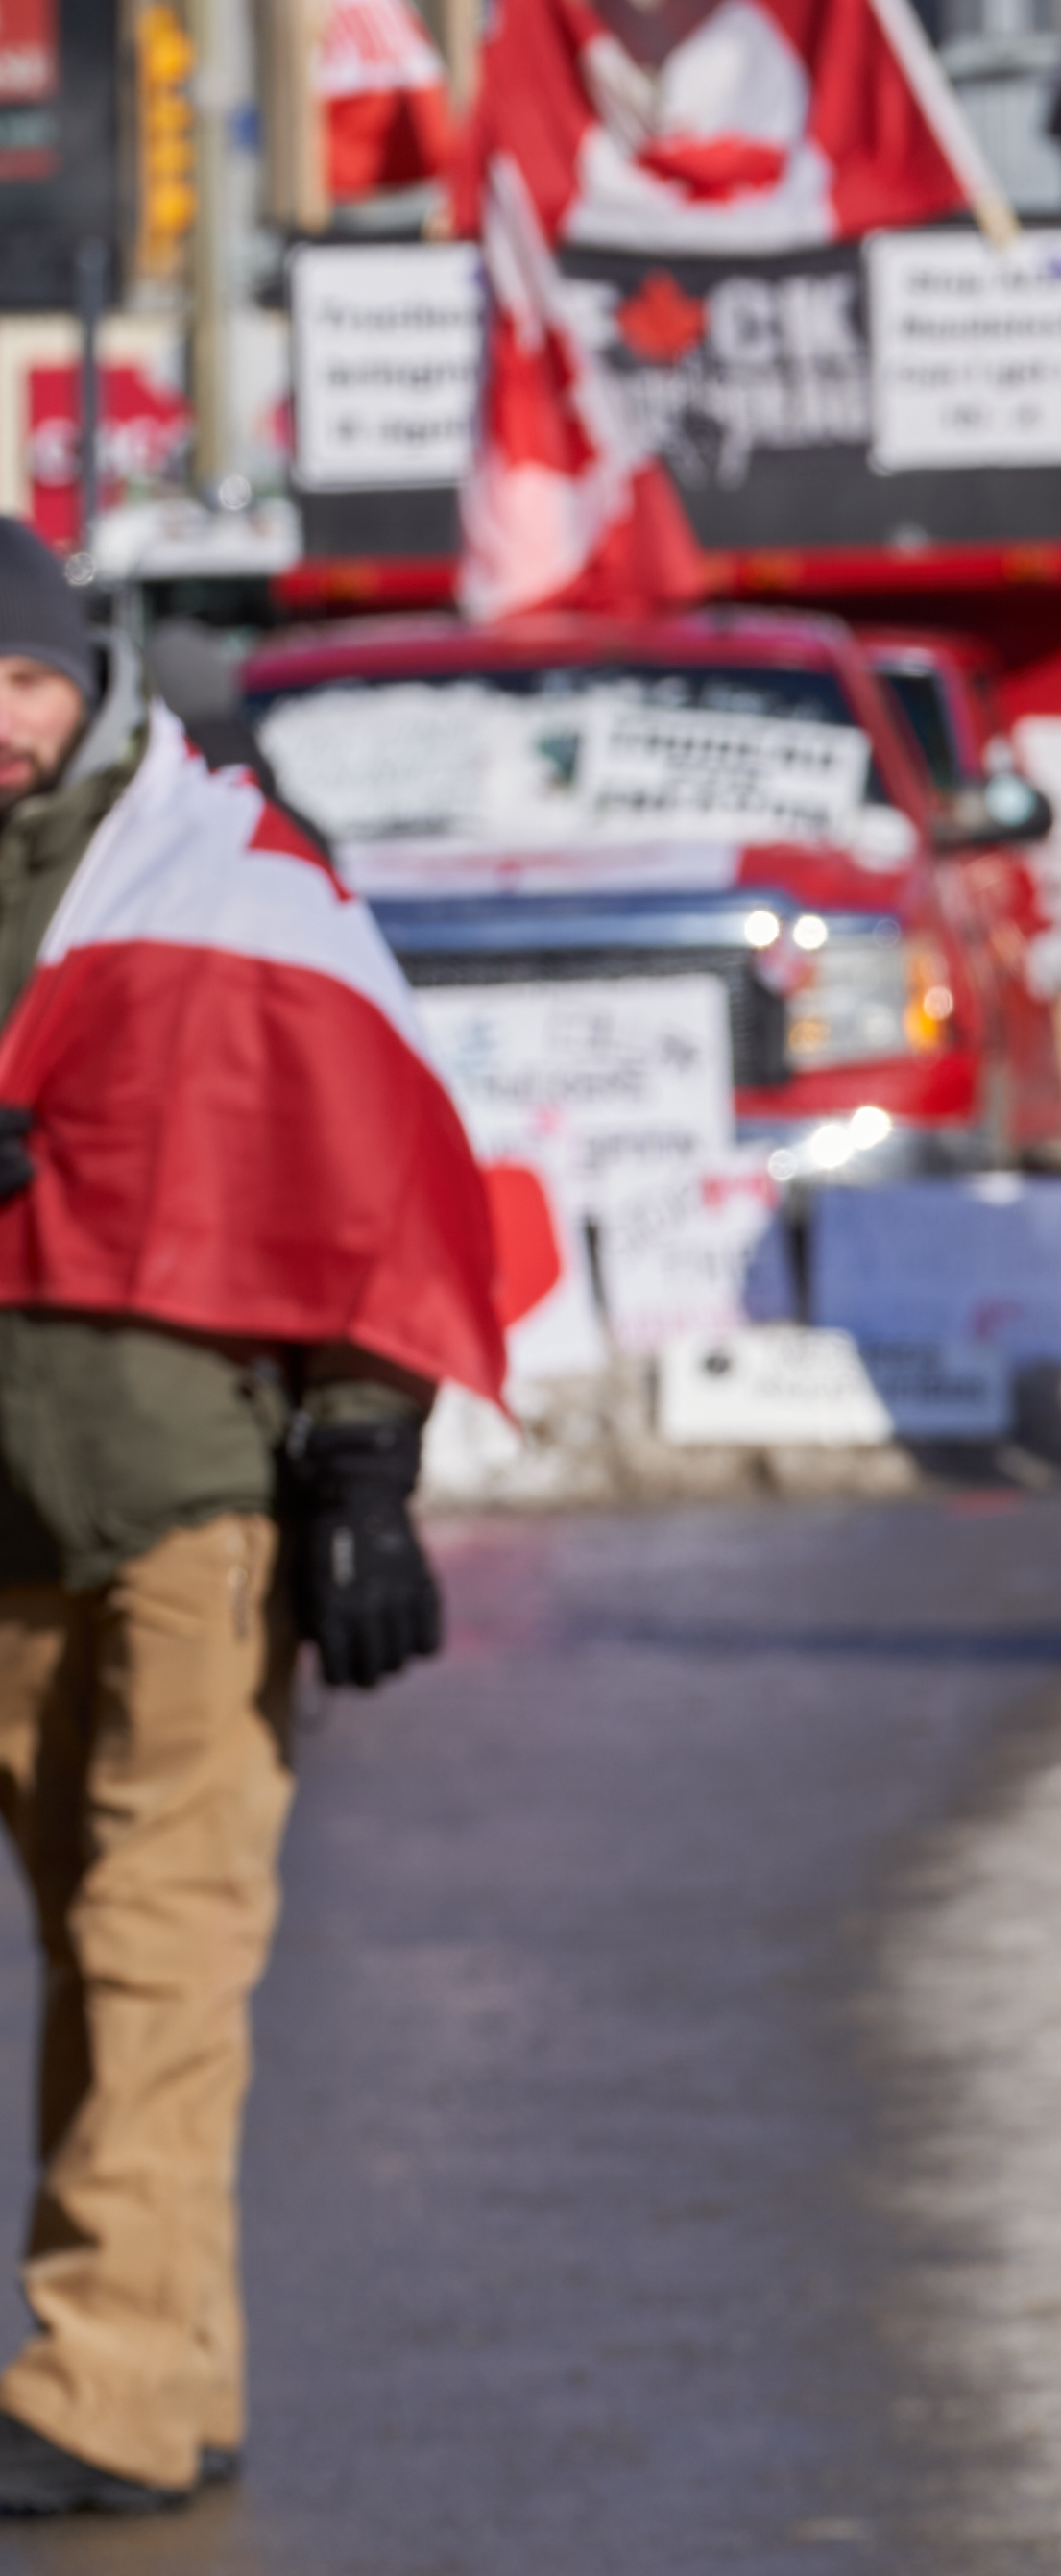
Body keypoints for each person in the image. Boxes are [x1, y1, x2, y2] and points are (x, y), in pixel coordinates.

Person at [0, 522, 480, 2515]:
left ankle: (98, 2385)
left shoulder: (225, 882)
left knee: (157, 1941)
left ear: (86, 678)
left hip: (193, 1503)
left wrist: (363, 1470)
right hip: (8, 1524)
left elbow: (364, 1171)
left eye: (22, 679)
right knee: (97, 1946)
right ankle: (172, 2371)